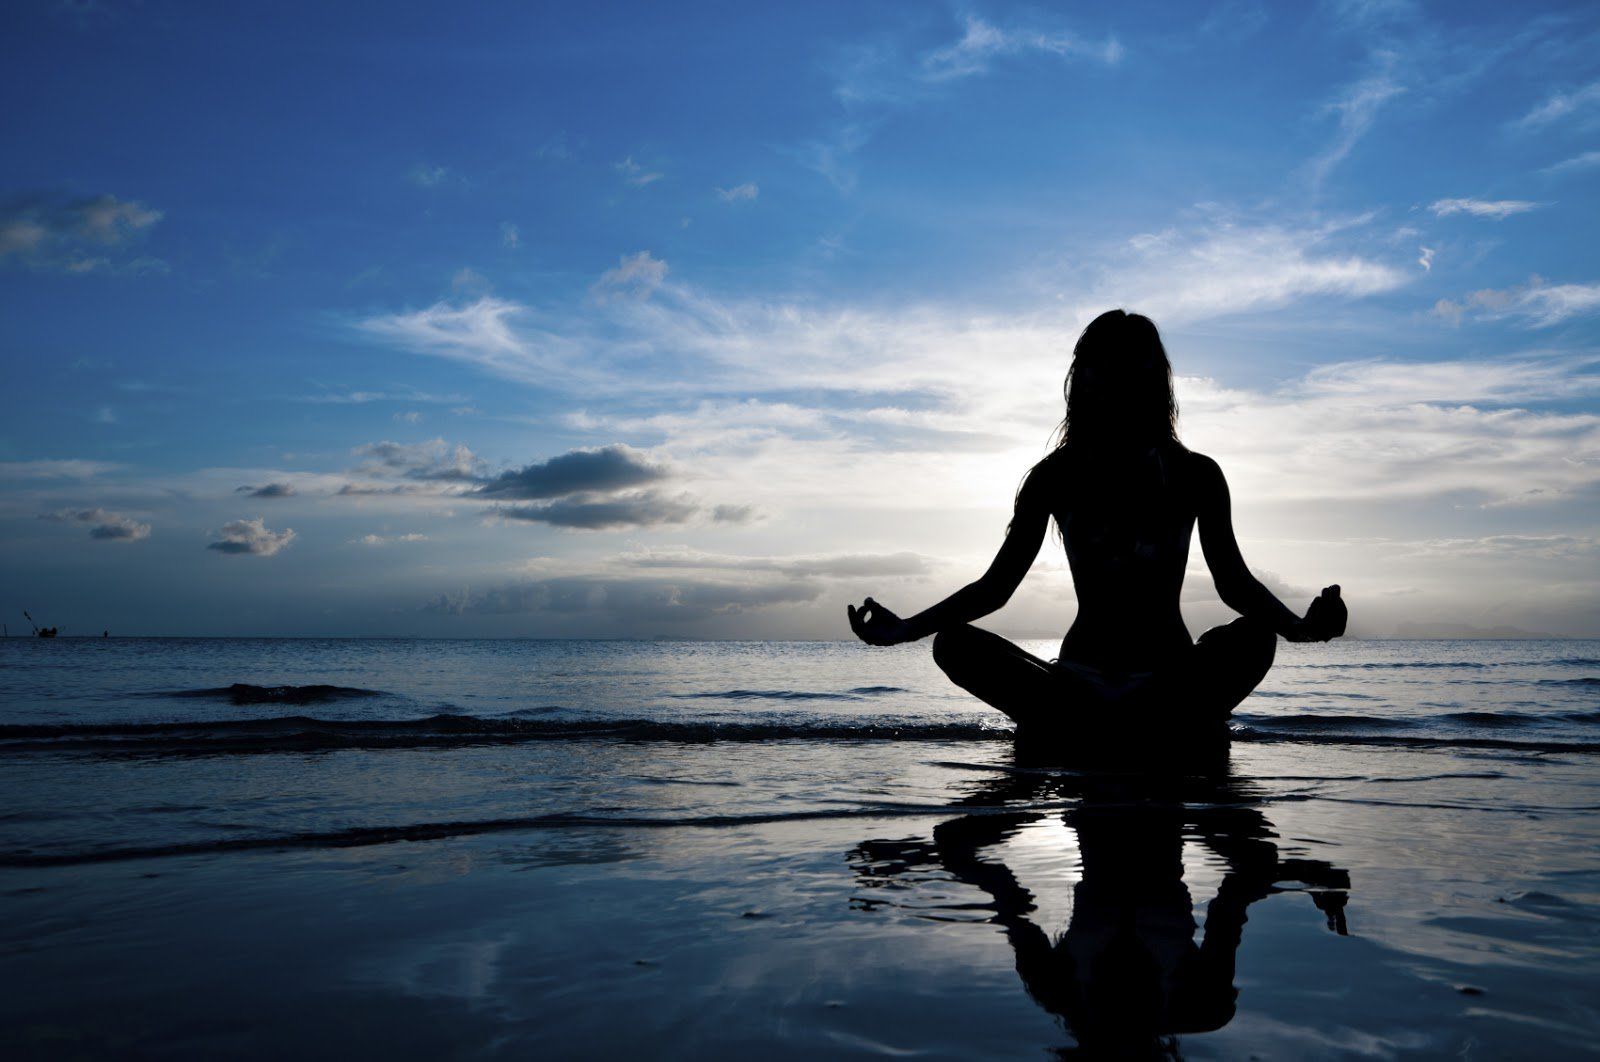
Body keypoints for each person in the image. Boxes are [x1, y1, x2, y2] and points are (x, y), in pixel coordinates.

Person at [847, 309, 1345, 740]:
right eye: (1105, 366)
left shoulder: (1196, 474)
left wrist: (1301, 628)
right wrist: (908, 628)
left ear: (1155, 379)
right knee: (953, 642)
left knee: (1256, 636)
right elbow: (996, 588)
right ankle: (1122, 721)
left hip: (1169, 678)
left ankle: (1126, 720)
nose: (1119, 380)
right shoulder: (1054, 477)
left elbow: (1234, 583)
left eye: (1133, 365)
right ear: (1084, 379)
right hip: (1078, 682)